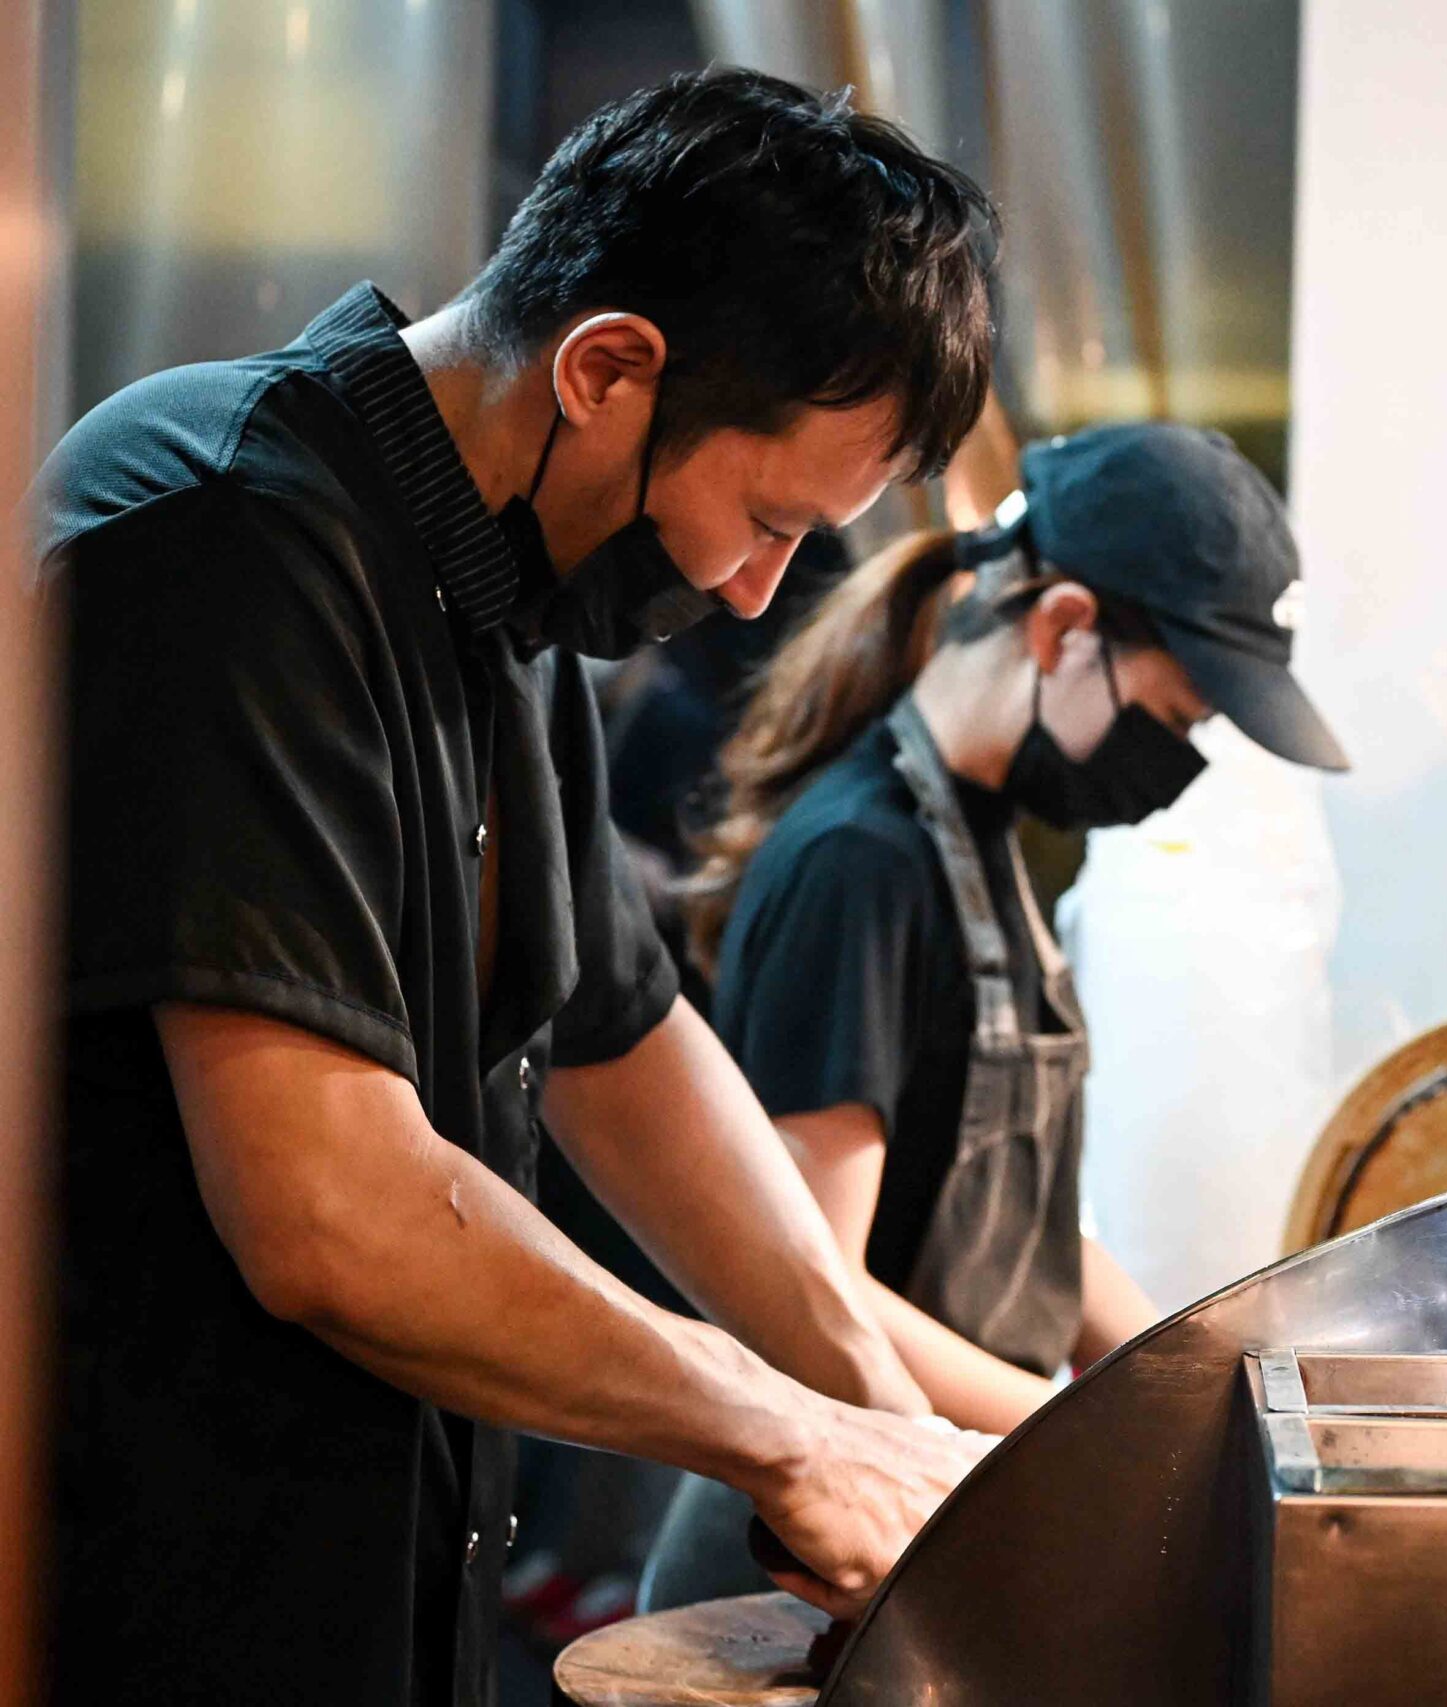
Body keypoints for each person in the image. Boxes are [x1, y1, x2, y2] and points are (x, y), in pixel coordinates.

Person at [36, 69, 997, 1707]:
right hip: (149, 1594)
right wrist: (780, 1431)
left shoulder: (501, 588)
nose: (752, 591)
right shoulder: (225, 535)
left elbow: (623, 1043)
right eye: (766, 521)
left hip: (378, 1589)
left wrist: (875, 1411)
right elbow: (330, 1210)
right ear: (605, 367)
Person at [644, 423, 1348, 1606]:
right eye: (1176, 719)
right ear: (1064, 628)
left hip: (947, 1497)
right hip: (795, 1561)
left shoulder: (983, 846)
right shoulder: (861, 866)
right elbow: (811, 1289)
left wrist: (1202, 1384)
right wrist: (1087, 1436)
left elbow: (1030, 1234)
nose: (1175, 760)